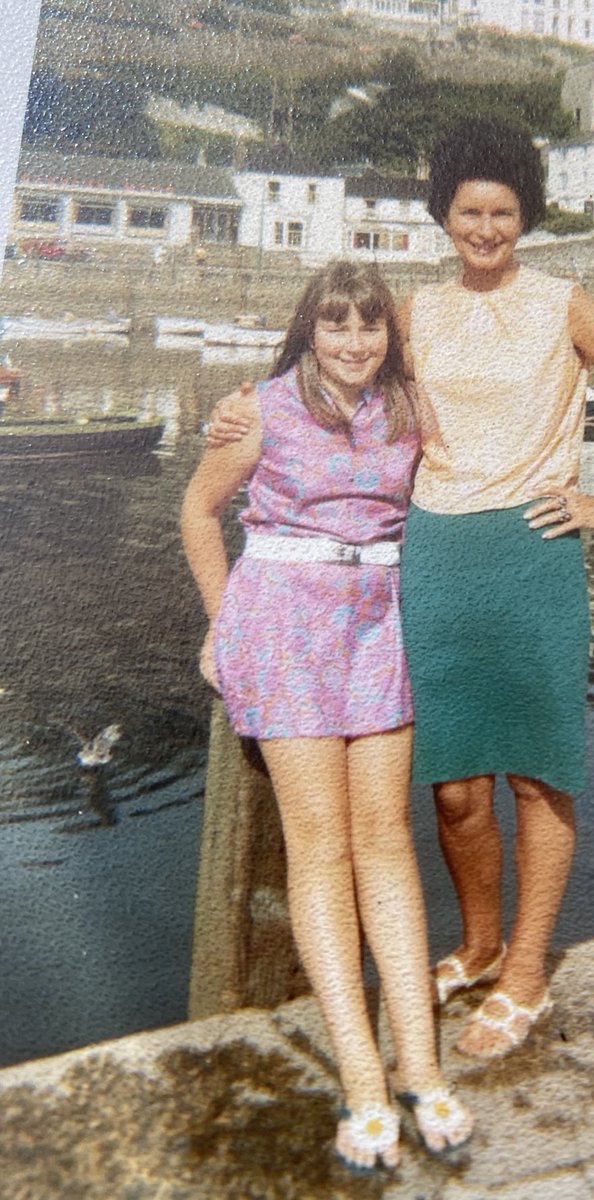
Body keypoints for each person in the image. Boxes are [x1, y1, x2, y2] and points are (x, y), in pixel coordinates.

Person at [209, 121, 594, 1064]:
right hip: (427, 555)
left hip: (533, 550)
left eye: (502, 210)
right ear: (443, 216)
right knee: (457, 785)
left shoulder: (564, 302)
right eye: (469, 210)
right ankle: (475, 943)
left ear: (526, 216)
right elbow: (328, 378)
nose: (485, 226)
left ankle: (524, 974)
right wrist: (238, 402)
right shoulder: (414, 310)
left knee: (539, 771)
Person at [181, 261, 474, 1172]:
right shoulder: (259, 408)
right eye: (337, 326)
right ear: (309, 330)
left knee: (385, 840)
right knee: (322, 849)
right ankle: (359, 1077)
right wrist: (223, 624)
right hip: (283, 622)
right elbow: (198, 508)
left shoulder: (412, 406)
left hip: (379, 623)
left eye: (372, 326)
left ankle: (421, 1069)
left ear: (391, 332)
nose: (355, 343)